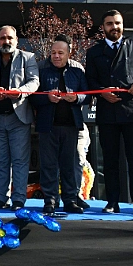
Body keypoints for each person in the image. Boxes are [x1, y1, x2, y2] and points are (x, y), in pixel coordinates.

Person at [85, 10, 133, 216]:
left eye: (117, 23)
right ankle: (112, 202)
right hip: (108, 112)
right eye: (109, 24)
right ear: (103, 27)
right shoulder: (94, 52)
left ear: (122, 25)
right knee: (110, 161)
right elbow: (90, 80)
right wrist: (101, 92)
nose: (114, 27)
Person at [30, 34, 90, 214]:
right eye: (53, 52)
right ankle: (50, 200)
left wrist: (76, 98)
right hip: (48, 126)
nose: (56, 56)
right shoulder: (41, 69)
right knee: (48, 165)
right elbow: (31, 98)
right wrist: (47, 97)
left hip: (71, 126)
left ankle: (70, 200)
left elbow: (88, 95)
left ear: (68, 54)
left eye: (60, 53)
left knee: (69, 165)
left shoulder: (77, 70)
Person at [0, 25, 39, 211]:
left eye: (10, 38)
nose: (6, 41)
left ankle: (18, 200)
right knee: (0, 160)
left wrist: (20, 92)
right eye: (2, 38)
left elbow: (34, 81)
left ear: (16, 40)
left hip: (18, 117)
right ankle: (1, 198)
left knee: (20, 160)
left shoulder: (28, 58)